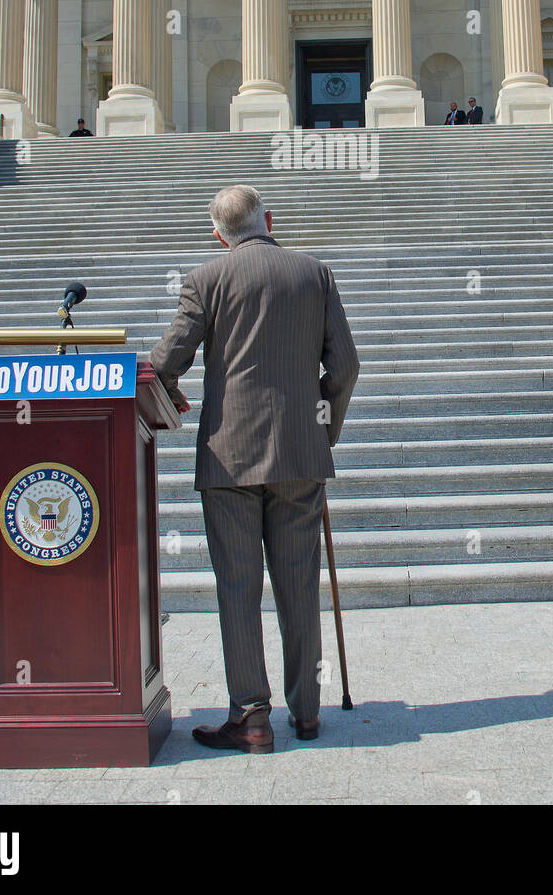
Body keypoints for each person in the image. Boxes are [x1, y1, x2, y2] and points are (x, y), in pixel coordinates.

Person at [150, 184, 359, 754]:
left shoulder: (206, 278)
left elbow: (165, 363)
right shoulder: (314, 273)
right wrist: (323, 428)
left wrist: (169, 394)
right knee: (299, 584)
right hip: (299, 456)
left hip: (229, 455)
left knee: (238, 588)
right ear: (270, 219)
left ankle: (251, 716)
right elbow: (345, 366)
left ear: (218, 235)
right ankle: (308, 711)